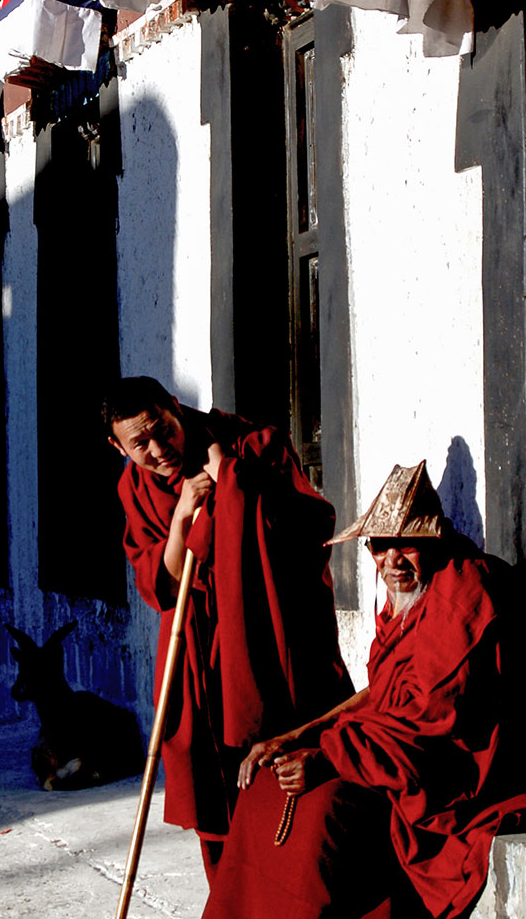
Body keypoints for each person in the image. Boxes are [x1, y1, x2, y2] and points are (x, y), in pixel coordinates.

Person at [181, 461, 526, 919]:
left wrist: (329, 757)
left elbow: (436, 720)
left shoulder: (464, 593)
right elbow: (379, 695)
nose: (390, 561)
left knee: (322, 806)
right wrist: (297, 736)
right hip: (392, 746)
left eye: (405, 546)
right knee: (263, 784)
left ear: (433, 539)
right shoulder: (405, 596)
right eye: (380, 548)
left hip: (448, 771)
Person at [103, 376, 352, 879]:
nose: (158, 450)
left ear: (175, 407)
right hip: (197, 652)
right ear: (117, 447)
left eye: (162, 430)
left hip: (273, 640)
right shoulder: (135, 486)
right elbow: (161, 584)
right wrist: (180, 519)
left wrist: (233, 479)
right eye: (139, 445)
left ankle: (300, 909)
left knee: (287, 768)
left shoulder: (254, 446)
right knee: (213, 782)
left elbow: (311, 527)